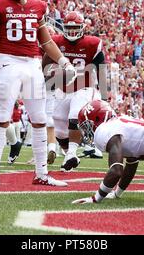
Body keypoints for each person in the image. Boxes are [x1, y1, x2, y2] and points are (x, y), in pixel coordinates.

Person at [0, 0, 76, 186]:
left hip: (33, 65)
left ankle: (41, 174)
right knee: (2, 116)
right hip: (8, 63)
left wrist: (64, 61)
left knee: (40, 118)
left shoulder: (37, 7)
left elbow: (46, 41)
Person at [45, 11, 107, 171]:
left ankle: (72, 153)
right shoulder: (57, 41)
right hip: (63, 88)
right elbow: (45, 64)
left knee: (74, 115)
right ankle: (70, 156)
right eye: (69, 28)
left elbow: (101, 69)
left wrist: (105, 94)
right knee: (58, 124)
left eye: (75, 28)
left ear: (82, 28)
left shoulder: (92, 44)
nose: (72, 32)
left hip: (84, 87)